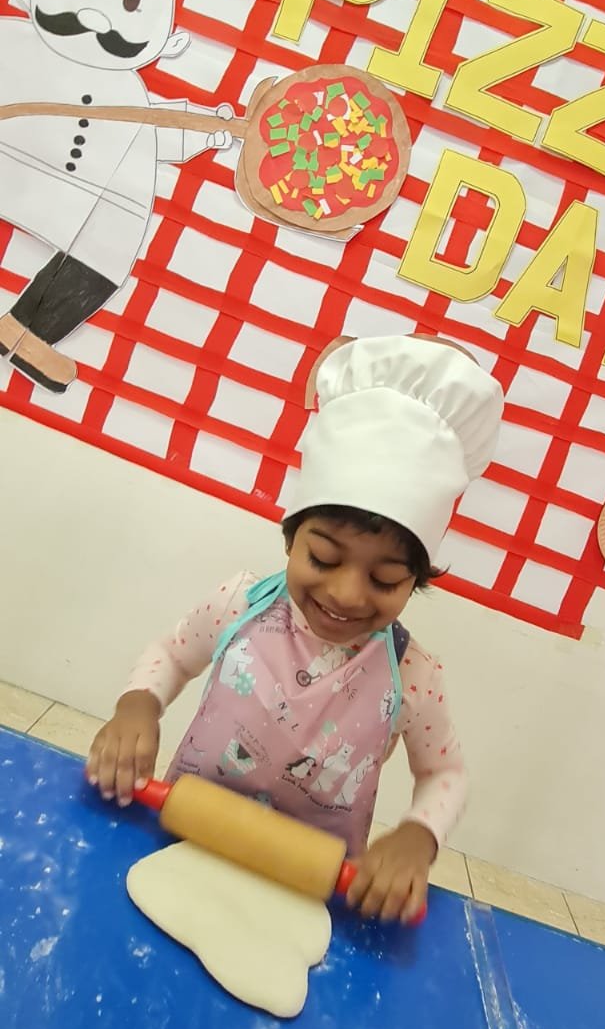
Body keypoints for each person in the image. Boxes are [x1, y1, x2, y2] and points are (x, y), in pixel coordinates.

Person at [87, 336, 503, 923]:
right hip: (185, 834)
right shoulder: (239, 604)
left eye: (384, 579)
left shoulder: (413, 675)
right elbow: (173, 655)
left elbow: (445, 773)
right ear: (291, 538)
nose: (346, 593)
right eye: (324, 559)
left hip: (310, 886)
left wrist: (419, 835)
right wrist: (138, 706)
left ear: (415, 581)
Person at [0, 0, 253, 391]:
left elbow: (152, 133)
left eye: (133, 1)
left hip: (85, 190)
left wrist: (209, 130)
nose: (98, 16)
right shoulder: (11, 42)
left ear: (166, 37)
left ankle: (29, 330)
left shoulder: (127, 93)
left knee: (118, 228)